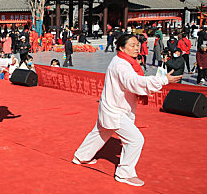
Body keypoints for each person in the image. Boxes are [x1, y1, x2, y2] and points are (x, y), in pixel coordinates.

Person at [72, 34, 182, 186]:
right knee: (136, 139)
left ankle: (81, 156)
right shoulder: (122, 65)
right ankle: (124, 173)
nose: (136, 48)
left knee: (101, 132)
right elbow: (133, 82)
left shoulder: (122, 61)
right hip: (115, 110)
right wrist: (163, 80)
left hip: (112, 106)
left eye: (137, 45)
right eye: (132, 45)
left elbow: (132, 83)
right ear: (121, 48)